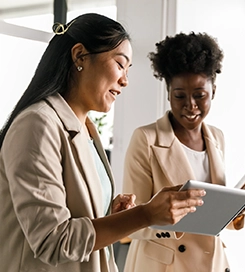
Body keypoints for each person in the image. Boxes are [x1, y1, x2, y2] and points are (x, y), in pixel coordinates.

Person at [0, 14, 207, 272]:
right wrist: (143, 215)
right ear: (79, 56)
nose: (125, 80)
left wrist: (111, 214)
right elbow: (52, 240)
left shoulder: (86, 130)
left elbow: (74, 216)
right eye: (120, 64)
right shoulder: (37, 125)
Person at [122, 32, 245, 272]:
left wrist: (233, 213)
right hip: (165, 265)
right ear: (169, 93)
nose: (190, 105)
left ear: (213, 92)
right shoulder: (145, 139)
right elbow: (130, 222)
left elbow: (210, 214)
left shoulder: (217, 138)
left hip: (212, 263)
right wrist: (171, 218)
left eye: (200, 96)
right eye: (180, 96)